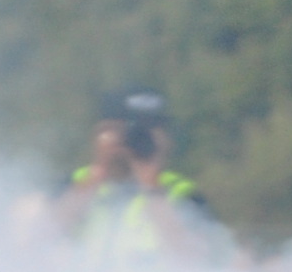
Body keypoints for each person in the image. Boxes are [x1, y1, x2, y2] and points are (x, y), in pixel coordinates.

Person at [50, 89, 210, 261]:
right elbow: (40, 239)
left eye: (151, 129)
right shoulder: (74, 185)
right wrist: (100, 171)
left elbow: (197, 262)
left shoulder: (182, 193)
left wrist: (152, 185)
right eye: (124, 130)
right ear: (99, 133)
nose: (138, 139)